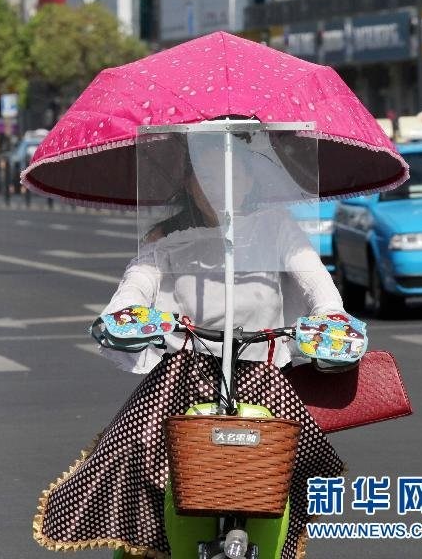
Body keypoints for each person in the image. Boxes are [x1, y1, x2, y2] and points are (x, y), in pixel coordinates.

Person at [33, 141, 349, 559]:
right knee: (136, 465)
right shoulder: (166, 238)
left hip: (265, 380)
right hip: (182, 379)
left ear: (251, 179)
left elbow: (320, 290)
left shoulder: (279, 229)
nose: (220, 185)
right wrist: (125, 316)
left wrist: (332, 320)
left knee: (287, 475)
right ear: (188, 182)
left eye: (232, 173)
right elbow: (135, 287)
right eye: (208, 174)